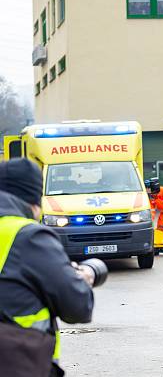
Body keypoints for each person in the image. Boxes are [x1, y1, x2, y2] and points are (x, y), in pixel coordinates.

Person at [0, 159, 95, 377]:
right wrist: (83, 279)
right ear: (33, 201)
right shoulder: (28, 235)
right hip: (17, 363)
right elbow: (77, 307)